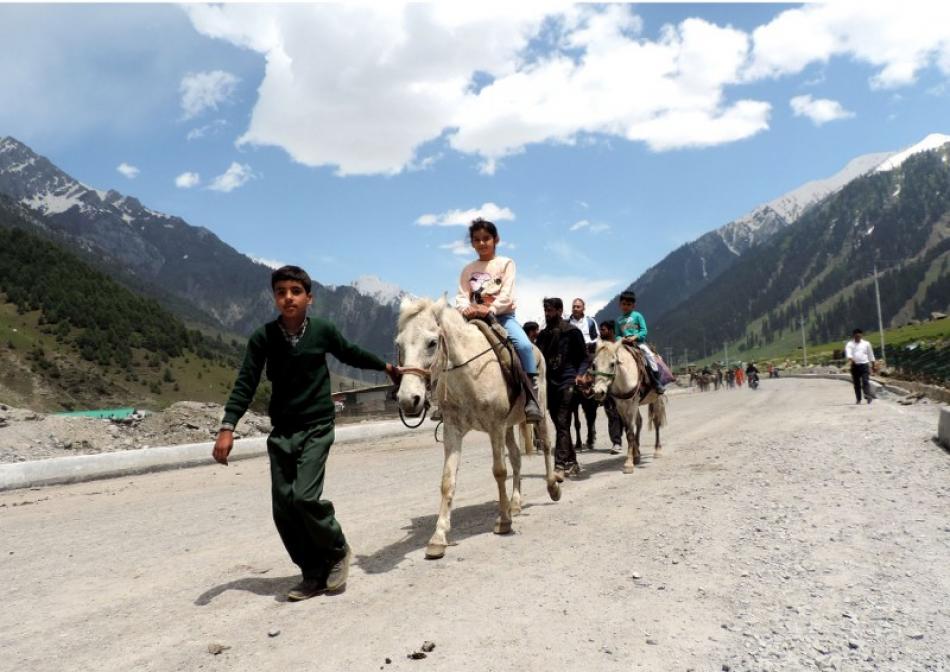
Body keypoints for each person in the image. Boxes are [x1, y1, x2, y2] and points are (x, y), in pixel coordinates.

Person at [212, 265, 401, 602]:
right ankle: (312, 572)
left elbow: (351, 352)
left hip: (317, 426)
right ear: (274, 297)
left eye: (295, 292)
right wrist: (228, 426)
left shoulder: (323, 331)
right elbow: (245, 382)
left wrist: (385, 367)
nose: (288, 297)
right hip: (283, 431)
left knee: (304, 498)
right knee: (284, 508)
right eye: (281, 291)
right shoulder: (263, 338)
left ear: (309, 298)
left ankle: (337, 548)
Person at [455, 218, 543, 423]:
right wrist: (464, 308)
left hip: (502, 317)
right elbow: (461, 294)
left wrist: (491, 309)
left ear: (496, 239)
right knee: (450, 346)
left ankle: (532, 396)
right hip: (474, 317)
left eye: (486, 238)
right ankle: (446, 397)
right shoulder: (468, 269)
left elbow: (507, 293)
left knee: (523, 345)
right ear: (472, 243)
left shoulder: (506, 263)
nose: (482, 243)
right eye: (477, 240)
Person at [537, 297, 589, 479]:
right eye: (545, 310)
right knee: (561, 424)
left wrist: (580, 374)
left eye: (550, 310)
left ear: (559, 310)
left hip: (568, 381)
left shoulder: (572, 332)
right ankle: (573, 462)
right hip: (550, 384)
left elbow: (584, 357)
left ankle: (559, 466)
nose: (547, 314)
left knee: (562, 421)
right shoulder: (543, 335)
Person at [614, 291, 665, 394]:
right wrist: (622, 339)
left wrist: (635, 337)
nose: (626, 306)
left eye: (629, 304)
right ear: (620, 305)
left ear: (633, 306)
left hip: (638, 343)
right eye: (624, 304)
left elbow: (643, 331)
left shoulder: (637, 316)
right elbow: (617, 335)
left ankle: (656, 381)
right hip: (624, 345)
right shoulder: (618, 320)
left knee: (649, 356)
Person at [569, 298, 599, 451]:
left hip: (588, 352)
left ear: (583, 308)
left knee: (599, 370)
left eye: (578, 306)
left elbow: (596, 337)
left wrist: (590, 344)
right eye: (573, 306)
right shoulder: (568, 322)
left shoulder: (590, 321)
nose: (575, 308)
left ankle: (600, 391)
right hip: (573, 355)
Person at [598, 319, 626, 455]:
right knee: (612, 414)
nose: (600, 332)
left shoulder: (620, 346)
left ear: (611, 330)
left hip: (622, 387)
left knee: (624, 415)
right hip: (608, 387)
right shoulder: (600, 346)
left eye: (603, 329)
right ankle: (616, 442)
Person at [845, 328, 876, 404]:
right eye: (856, 336)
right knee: (856, 383)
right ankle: (858, 399)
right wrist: (851, 359)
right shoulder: (850, 344)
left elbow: (870, 354)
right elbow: (849, 354)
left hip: (864, 364)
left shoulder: (866, 344)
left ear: (861, 335)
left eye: (859, 336)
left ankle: (867, 395)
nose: (857, 337)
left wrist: (873, 365)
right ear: (853, 336)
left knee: (865, 381)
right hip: (855, 366)